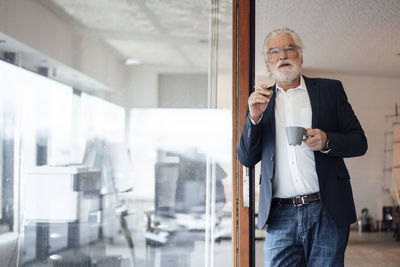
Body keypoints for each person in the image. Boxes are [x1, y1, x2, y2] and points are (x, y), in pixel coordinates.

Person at [238, 28, 367, 267]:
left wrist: (328, 141)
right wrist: (253, 119)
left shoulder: (330, 90)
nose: (282, 56)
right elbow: (246, 157)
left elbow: (360, 142)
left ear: (300, 55)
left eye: (289, 49)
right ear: (267, 63)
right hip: (280, 215)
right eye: (274, 52)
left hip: (327, 210)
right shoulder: (259, 100)